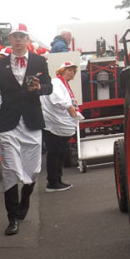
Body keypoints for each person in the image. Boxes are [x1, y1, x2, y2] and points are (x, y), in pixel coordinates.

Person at [0, 24, 50, 234]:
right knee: (10, 169)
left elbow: (49, 86)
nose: (18, 40)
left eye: (22, 36)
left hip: (32, 122)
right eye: (15, 36)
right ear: (10, 40)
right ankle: (12, 218)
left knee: (34, 169)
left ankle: (26, 196)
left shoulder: (39, 61)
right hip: (8, 123)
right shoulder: (0, 66)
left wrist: (40, 88)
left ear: (27, 39)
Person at [41, 61, 79, 193]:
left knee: (59, 153)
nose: (71, 73)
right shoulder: (56, 82)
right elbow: (56, 98)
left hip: (59, 124)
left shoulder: (63, 84)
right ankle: (52, 182)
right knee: (54, 153)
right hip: (54, 124)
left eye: (73, 71)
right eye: (69, 70)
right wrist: (68, 106)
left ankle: (57, 179)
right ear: (62, 71)